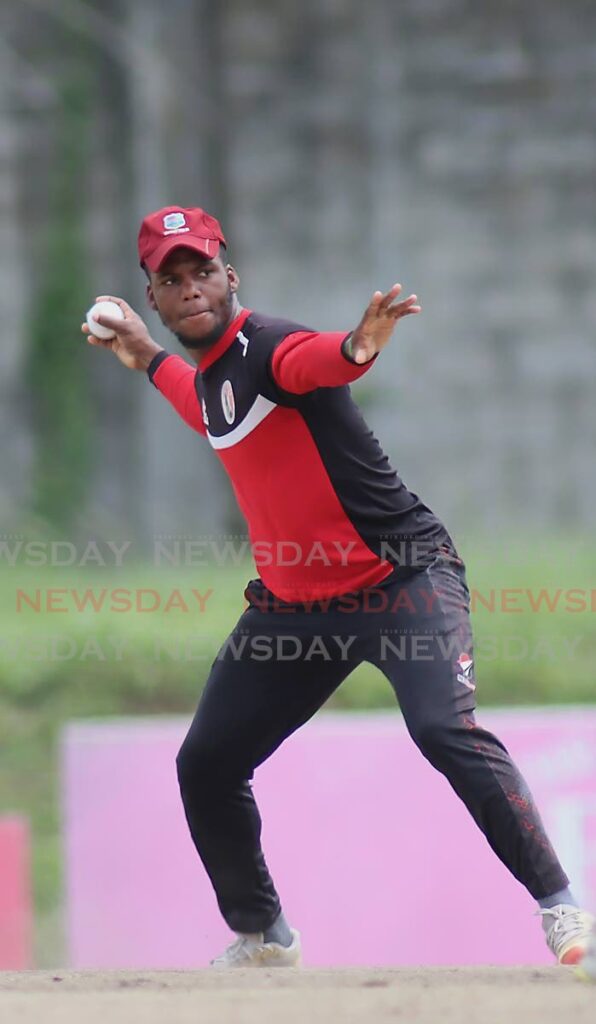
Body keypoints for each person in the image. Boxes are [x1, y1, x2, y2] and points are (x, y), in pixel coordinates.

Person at [83, 204, 593, 969]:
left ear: (231, 277)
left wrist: (359, 346)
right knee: (207, 764)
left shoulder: (270, 347)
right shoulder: (215, 377)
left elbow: (320, 361)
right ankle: (264, 937)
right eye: (171, 278)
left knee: (444, 730)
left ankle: (562, 906)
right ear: (153, 294)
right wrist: (147, 354)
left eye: (202, 271)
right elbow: (204, 407)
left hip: (401, 581)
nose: (191, 287)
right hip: (296, 611)